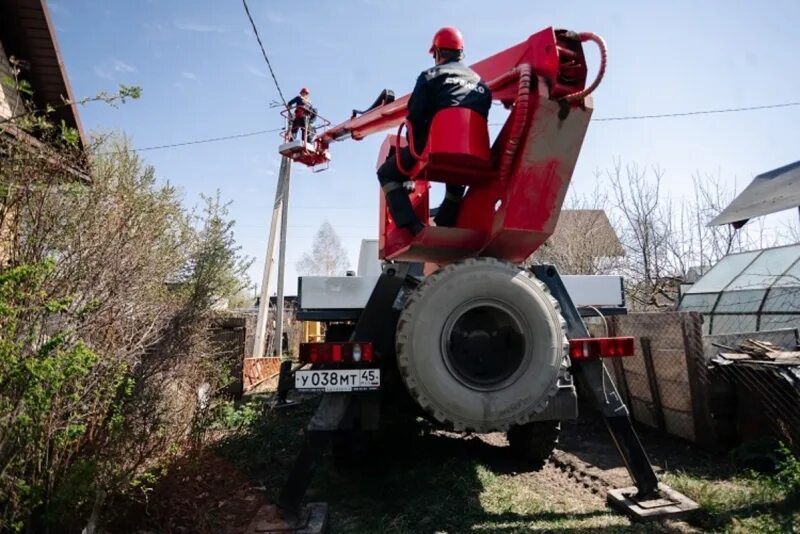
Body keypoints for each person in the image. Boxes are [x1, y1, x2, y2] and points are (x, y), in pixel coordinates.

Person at [376, 27, 492, 235]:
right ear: (461, 53)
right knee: (456, 173)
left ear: (437, 52)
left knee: (386, 173)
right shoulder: (482, 84)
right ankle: (446, 220)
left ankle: (411, 226)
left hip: (435, 147)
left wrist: (415, 147)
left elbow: (415, 115)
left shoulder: (430, 76)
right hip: (473, 151)